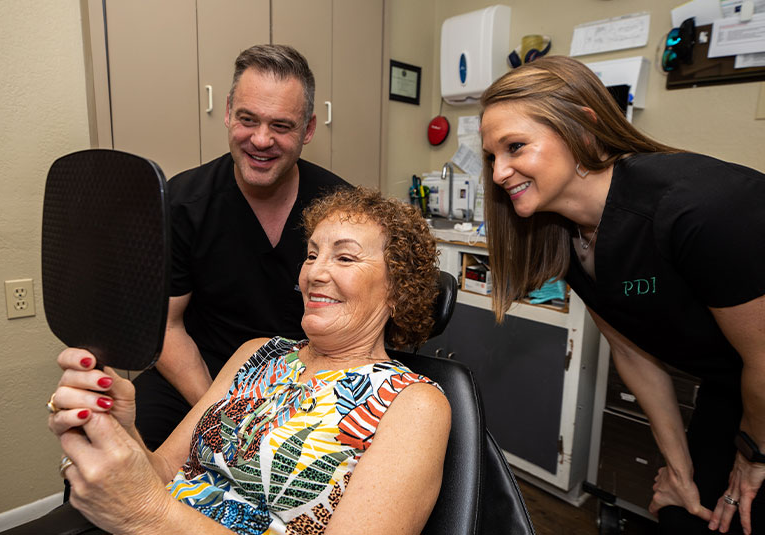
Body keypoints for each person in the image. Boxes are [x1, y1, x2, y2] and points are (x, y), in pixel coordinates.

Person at [47, 187, 450, 534]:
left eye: (344, 258)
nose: (314, 273)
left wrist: (149, 515)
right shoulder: (257, 353)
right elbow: (163, 474)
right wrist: (122, 428)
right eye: (311, 255)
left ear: (398, 291)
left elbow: (152, 504)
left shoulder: (412, 404)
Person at [479, 55, 765, 535]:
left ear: (584, 129)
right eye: (491, 157)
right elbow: (630, 349)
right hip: (736, 389)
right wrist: (680, 468)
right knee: (681, 512)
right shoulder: (565, 234)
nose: (499, 173)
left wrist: (753, 453)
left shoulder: (698, 208)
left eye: (515, 147)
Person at [133, 44, 351, 450]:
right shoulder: (182, 203)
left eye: (282, 126)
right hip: (198, 372)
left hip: (306, 377)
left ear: (308, 129)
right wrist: (218, 414)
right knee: (116, 462)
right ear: (229, 111)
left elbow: (359, 319)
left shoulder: (340, 207)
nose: (261, 140)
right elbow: (166, 326)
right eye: (248, 119)